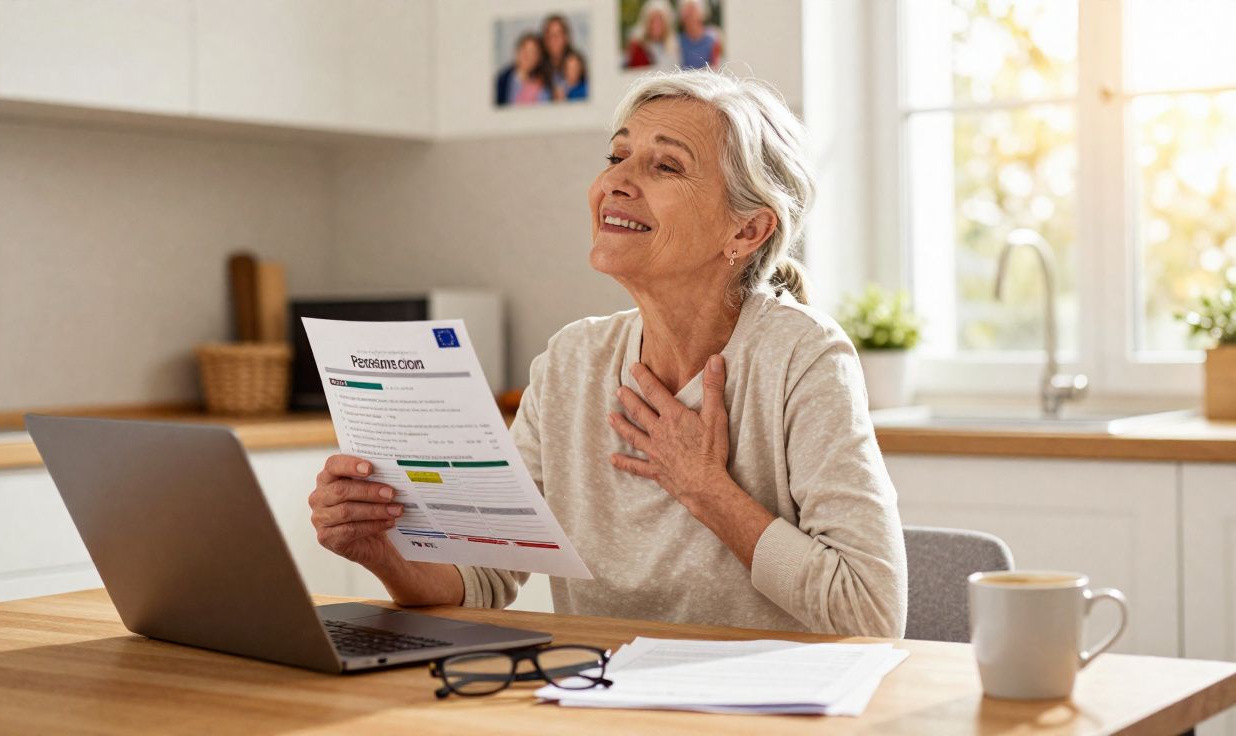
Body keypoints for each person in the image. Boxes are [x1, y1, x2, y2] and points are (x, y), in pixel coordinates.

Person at [310, 69, 908, 638]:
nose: (617, 181)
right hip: (597, 699)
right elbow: (484, 576)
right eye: (617, 156)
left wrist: (704, 487)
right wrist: (381, 553)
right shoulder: (571, 361)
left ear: (746, 232)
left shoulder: (802, 357)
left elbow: (871, 611)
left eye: (666, 165)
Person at [495, 32, 550, 107]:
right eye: (524, 49)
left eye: (532, 52)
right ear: (517, 52)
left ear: (538, 60)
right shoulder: (500, 81)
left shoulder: (542, 89)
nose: (526, 56)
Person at [624, 0, 679, 72]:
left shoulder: (672, 47)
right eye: (653, 20)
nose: (656, 25)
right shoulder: (638, 47)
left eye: (660, 21)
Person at [678, 0, 721, 70]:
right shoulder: (677, 42)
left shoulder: (712, 40)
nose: (691, 17)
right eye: (687, 14)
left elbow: (716, 68)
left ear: (701, 15)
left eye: (693, 12)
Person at [540, 14, 574, 100]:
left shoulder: (577, 65)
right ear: (545, 40)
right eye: (550, 35)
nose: (554, 39)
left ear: (566, 38)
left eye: (558, 34)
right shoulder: (536, 69)